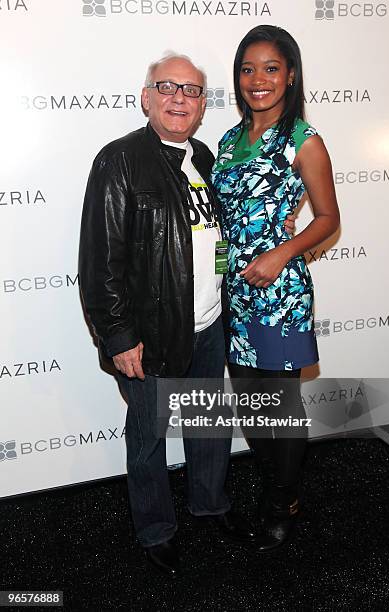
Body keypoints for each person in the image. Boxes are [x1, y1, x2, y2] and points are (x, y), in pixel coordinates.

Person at [78, 53, 257, 577]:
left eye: (193, 91)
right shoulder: (120, 160)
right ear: (147, 97)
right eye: (168, 87)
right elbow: (100, 260)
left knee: (208, 424)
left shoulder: (203, 157)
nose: (180, 98)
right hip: (149, 333)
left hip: (207, 322)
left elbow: (216, 238)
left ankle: (210, 505)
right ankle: (155, 530)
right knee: (149, 434)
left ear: (203, 106)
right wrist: (117, 334)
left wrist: (224, 290)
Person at [211, 25, 340, 552]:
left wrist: (283, 251)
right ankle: (276, 487)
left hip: (281, 292)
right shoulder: (227, 139)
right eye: (247, 68)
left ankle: (283, 502)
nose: (257, 79)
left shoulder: (302, 139)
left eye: (270, 68)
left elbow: (328, 217)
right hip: (233, 293)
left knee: (280, 408)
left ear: (290, 75)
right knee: (249, 404)